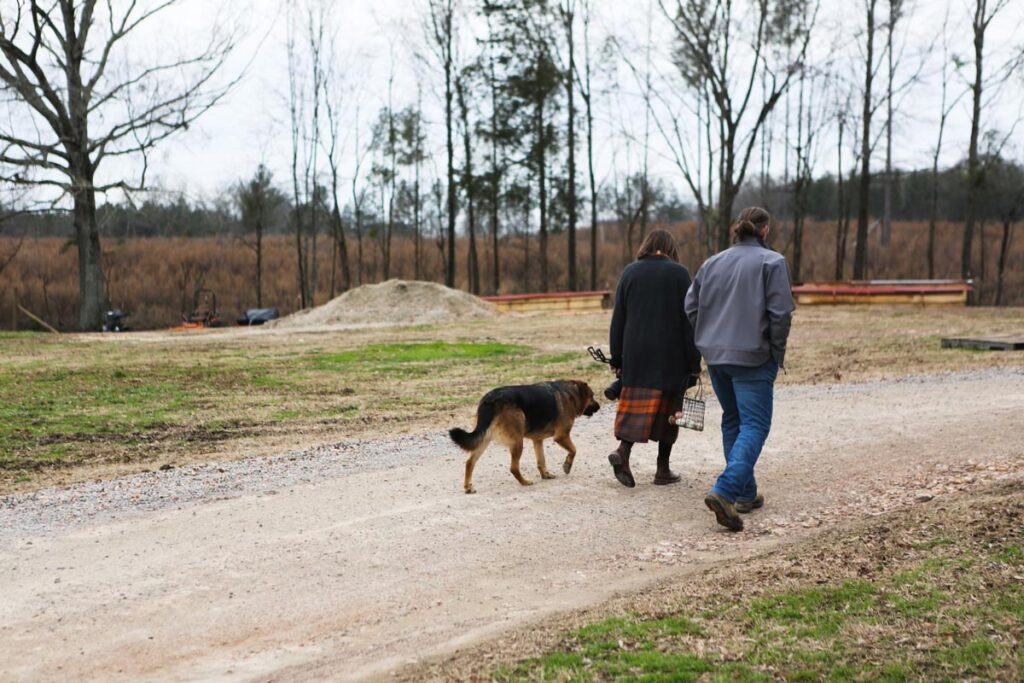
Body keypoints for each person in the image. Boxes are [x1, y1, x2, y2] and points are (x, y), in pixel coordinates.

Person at [684, 207, 795, 531]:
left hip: (716, 356)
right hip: (754, 356)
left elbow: (690, 306)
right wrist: (776, 350)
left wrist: (707, 337)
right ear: (764, 230)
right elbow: (781, 313)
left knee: (733, 419)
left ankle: (746, 492)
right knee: (755, 424)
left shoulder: (712, 263)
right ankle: (726, 490)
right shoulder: (772, 262)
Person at [608, 229, 701, 488]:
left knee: (637, 407)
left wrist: (617, 357)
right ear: (670, 248)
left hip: (636, 354)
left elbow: (619, 320)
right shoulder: (679, 273)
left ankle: (623, 452)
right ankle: (662, 470)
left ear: (646, 245)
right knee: (669, 411)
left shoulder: (630, 272)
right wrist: (694, 362)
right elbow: (689, 321)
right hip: (671, 356)